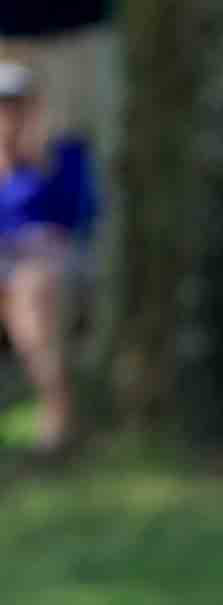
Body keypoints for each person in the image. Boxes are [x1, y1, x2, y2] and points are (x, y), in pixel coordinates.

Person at [0, 62, 94, 454]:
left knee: (31, 295)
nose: (9, 114)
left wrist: (37, 161)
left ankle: (57, 417)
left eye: (16, 104)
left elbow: (78, 215)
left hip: (50, 258)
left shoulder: (63, 153)